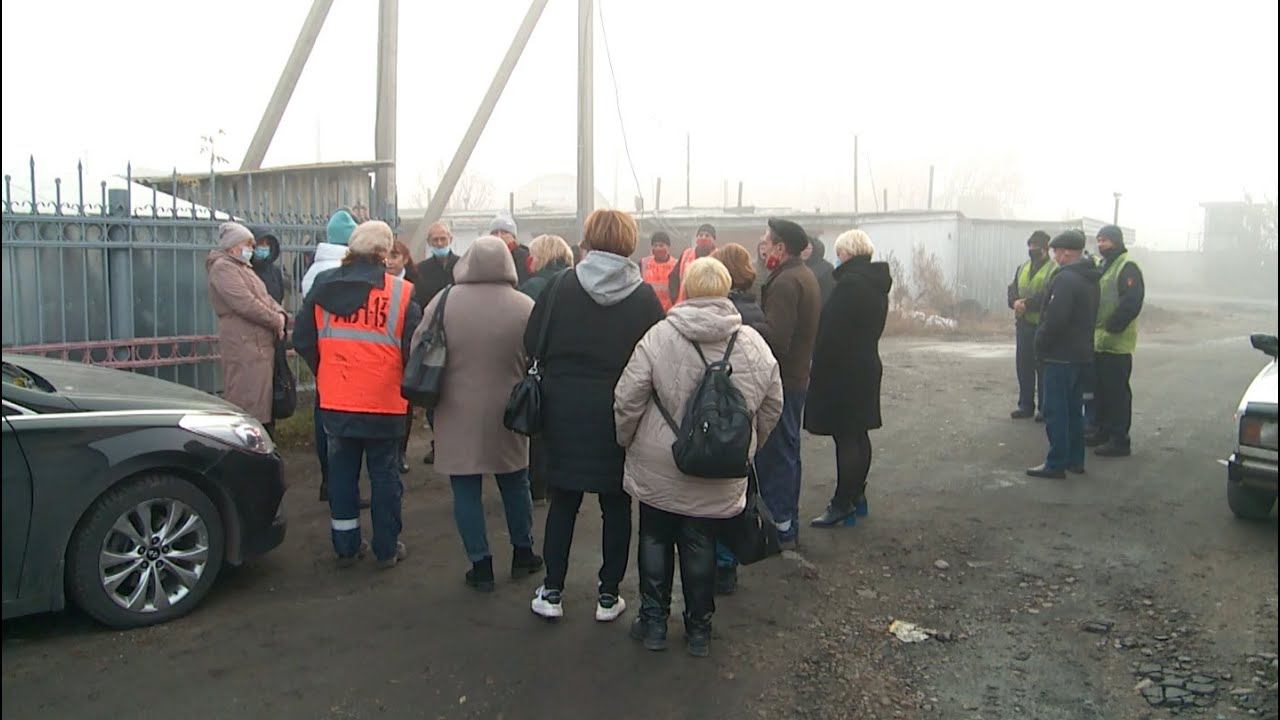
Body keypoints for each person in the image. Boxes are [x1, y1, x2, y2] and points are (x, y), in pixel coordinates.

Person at [614, 257, 783, 657]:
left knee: (654, 536)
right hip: (720, 466)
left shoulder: (659, 337)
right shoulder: (753, 344)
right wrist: (746, 446)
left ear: (686, 289)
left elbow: (627, 397)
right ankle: (699, 631)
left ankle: (654, 624)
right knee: (701, 541)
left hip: (660, 461)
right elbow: (773, 404)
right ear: (726, 291)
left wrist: (627, 440)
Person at [527, 209, 664, 622]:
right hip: (618, 409)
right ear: (629, 241)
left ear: (587, 239)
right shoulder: (643, 297)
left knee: (563, 501)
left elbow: (533, 339)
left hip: (563, 406)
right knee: (616, 503)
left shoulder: (559, 285)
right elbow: (654, 356)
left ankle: (552, 591)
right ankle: (608, 596)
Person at [413, 236, 544, 591]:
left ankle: (480, 564)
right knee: (516, 482)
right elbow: (538, 354)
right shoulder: (524, 305)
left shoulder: (444, 301)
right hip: (510, 408)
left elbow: (418, 345)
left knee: (465, 487)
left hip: (456, 408)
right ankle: (523, 552)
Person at [293, 221, 423, 568]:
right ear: (383, 253)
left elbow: (302, 338)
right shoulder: (401, 292)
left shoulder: (322, 286)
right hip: (385, 400)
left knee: (342, 475)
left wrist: (327, 369)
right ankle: (386, 546)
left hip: (336, 398)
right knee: (385, 476)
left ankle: (346, 544)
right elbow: (414, 348)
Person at [805, 229, 891, 527]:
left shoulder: (851, 285)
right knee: (859, 433)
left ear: (849, 253)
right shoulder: (876, 283)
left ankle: (842, 502)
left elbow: (832, 331)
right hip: (866, 363)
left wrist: (817, 358)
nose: (837, 257)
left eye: (840, 252)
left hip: (844, 369)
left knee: (845, 436)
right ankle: (857, 496)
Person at [756, 218, 822, 548]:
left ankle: (780, 527)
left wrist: (749, 323)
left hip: (782, 380)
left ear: (781, 248)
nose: (762, 246)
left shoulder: (784, 283)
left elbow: (776, 339)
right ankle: (787, 522)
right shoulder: (803, 274)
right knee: (789, 451)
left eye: (767, 241)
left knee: (777, 453)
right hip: (796, 377)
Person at [707, 242, 768, 595]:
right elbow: (768, 385)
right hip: (743, 423)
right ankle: (727, 566)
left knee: (707, 497)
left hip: (712, 417)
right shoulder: (756, 311)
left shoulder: (724, 315)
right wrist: (757, 433)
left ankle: (711, 564)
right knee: (736, 496)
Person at [1026, 230, 1100, 479]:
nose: (1055, 255)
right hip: (1081, 354)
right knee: (1073, 410)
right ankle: (1074, 459)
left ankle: (1056, 462)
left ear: (1067, 252)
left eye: (1057, 251)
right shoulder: (1089, 278)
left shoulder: (1066, 280)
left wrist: (1041, 342)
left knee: (1055, 410)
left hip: (1060, 355)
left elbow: (1055, 318)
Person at [206, 222, 287, 437]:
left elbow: (267, 297)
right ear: (233, 246)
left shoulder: (243, 268)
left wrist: (280, 314)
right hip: (244, 344)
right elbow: (245, 303)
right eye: (248, 244)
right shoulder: (223, 268)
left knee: (262, 404)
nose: (251, 249)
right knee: (248, 404)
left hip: (258, 346)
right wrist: (275, 320)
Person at [303, 209, 358, 502]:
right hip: (343, 359)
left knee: (324, 418)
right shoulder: (340, 271)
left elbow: (305, 329)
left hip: (325, 356)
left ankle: (329, 481)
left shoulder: (315, 269)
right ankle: (338, 486)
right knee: (338, 427)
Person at [518, 233, 576, 504]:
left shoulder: (532, 287)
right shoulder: (580, 283)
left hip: (543, 364)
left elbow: (525, 329)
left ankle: (537, 485)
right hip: (573, 365)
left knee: (540, 427)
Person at [1089, 225, 1144, 458]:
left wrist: (1113, 325)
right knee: (1100, 390)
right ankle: (1103, 430)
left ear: (1117, 242)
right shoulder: (1103, 265)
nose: (1101, 245)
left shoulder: (1126, 266)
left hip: (1116, 342)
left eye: (1106, 241)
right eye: (1099, 240)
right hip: (1099, 341)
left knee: (1117, 393)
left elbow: (1132, 301)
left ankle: (1120, 439)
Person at [413, 220, 460, 466]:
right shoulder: (422, 270)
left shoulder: (462, 265)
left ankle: (454, 440)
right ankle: (438, 440)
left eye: (443, 239)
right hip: (432, 336)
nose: (440, 244)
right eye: (435, 240)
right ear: (430, 243)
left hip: (459, 333)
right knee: (433, 389)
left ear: (451, 239)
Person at [1007, 231, 1056, 421]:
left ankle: (1045, 408)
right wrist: (1014, 302)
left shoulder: (1054, 269)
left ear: (1045, 248)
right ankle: (1025, 405)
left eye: (1035, 246)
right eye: (1029, 246)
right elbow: (1012, 289)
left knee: (1043, 368)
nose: (1031, 249)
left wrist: (1026, 304)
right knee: (1024, 365)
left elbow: (1047, 294)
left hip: (1043, 325)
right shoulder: (1023, 268)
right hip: (1024, 324)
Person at [386, 238, 419, 473]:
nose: (389, 261)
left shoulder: (415, 282)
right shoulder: (376, 282)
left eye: (394, 255)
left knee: (404, 406)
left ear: (405, 259)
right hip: (384, 349)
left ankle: (400, 452)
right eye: (386, 255)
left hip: (407, 346)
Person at [668, 223, 718, 305]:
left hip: (709, 304)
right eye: (700, 235)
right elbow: (673, 277)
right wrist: (675, 298)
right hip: (684, 304)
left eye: (707, 235)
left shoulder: (719, 257)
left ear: (713, 239)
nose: (703, 237)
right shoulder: (686, 254)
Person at [519, 234, 574, 301]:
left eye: (532, 254)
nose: (529, 258)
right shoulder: (575, 283)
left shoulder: (532, 287)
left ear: (541, 258)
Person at [489, 212, 531, 285]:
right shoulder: (484, 256)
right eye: (495, 233)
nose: (499, 236)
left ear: (513, 236)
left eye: (504, 232)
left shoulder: (525, 257)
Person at [639, 231, 678, 312]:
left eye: (661, 245)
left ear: (668, 247)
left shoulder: (676, 265)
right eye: (655, 245)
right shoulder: (643, 263)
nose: (658, 248)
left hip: (670, 311)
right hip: (647, 310)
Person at [249, 227, 285, 304]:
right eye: (260, 243)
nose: (264, 247)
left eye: (267, 244)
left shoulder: (275, 271)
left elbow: (280, 295)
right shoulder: (245, 269)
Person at [802, 236, 836, 306]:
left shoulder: (826, 268)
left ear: (815, 249)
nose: (804, 251)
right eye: (802, 248)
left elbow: (828, 293)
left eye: (808, 248)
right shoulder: (799, 266)